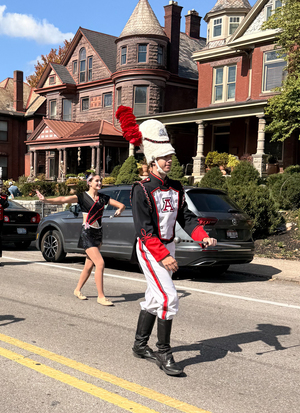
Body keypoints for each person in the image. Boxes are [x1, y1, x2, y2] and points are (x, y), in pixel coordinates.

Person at [117, 111, 217, 376]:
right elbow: (145, 231)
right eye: (164, 157)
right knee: (168, 297)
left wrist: (201, 235)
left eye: (170, 156)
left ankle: (140, 345)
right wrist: (163, 256)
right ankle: (164, 352)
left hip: (166, 247)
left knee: (154, 298)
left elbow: (186, 217)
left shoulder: (176, 186)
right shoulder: (141, 189)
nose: (169, 161)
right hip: (150, 249)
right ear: (152, 160)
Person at [36, 174, 125, 305]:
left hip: (98, 233)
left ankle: (77, 290)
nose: (99, 183)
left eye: (100, 181)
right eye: (96, 181)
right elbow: (63, 199)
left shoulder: (103, 198)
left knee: (89, 266)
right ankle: (101, 296)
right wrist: (47, 200)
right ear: (89, 183)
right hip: (87, 233)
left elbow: (121, 205)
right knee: (100, 263)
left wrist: (120, 210)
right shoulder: (82, 197)